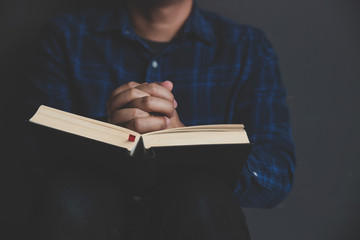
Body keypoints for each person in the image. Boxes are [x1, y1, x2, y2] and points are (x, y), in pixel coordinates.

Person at [24, 0, 296, 239]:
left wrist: (188, 142)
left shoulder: (247, 48)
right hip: (88, 215)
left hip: (199, 218)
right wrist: (110, 135)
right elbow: (38, 156)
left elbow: (277, 174)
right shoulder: (65, 36)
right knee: (72, 199)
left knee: (201, 198)